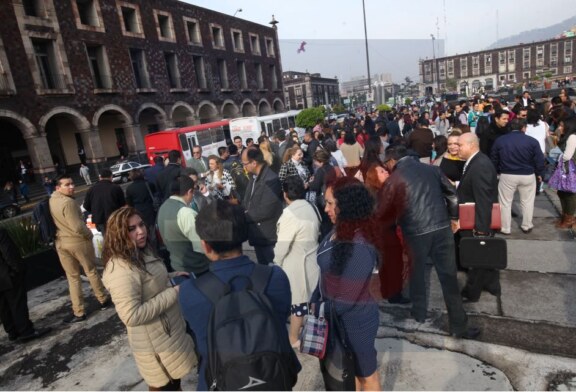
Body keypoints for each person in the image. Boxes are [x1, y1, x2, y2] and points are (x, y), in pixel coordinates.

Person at [179, 199, 300, 391]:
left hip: (219, 383)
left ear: (205, 246)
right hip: (273, 377)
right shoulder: (275, 277)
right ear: (243, 235)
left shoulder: (189, 292)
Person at [377, 145, 480, 339]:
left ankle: (419, 313)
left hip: (415, 232)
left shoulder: (394, 179)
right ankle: (459, 325)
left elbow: (382, 211)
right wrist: (453, 217)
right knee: (449, 278)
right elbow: (451, 193)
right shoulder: (431, 168)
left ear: (391, 161)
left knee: (417, 274)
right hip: (441, 227)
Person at [102, 207, 196, 391]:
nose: (140, 231)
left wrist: (173, 275)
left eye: (141, 225)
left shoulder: (140, 252)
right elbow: (131, 315)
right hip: (156, 347)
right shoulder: (121, 270)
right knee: (165, 387)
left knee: (175, 384)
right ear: (118, 234)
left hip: (167, 335)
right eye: (131, 229)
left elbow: (149, 279)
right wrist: (174, 292)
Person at [311, 177, 381, 391]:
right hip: (334, 318)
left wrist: (314, 309)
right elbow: (325, 274)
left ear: (347, 205)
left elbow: (346, 298)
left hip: (355, 323)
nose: (325, 208)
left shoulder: (359, 245)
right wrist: (315, 298)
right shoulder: (339, 230)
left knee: (365, 376)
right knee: (349, 374)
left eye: (331, 203)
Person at [49, 174, 111, 323]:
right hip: (77, 241)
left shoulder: (51, 200)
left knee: (72, 277)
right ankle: (102, 299)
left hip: (61, 242)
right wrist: (89, 234)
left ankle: (78, 311)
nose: (72, 187)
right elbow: (77, 226)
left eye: (72, 183)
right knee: (91, 271)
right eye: (67, 184)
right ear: (58, 187)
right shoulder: (68, 203)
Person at [273, 176, 320, 347]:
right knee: (309, 301)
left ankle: (293, 338)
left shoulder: (290, 213)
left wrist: (276, 263)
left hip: (296, 264)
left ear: (285, 194)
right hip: (312, 260)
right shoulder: (311, 207)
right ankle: (305, 332)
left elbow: (282, 245)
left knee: (297, 304)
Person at [456, 133, 501, 301]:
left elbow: (484, 199)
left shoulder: (480, 164)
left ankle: (471, 293)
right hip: (475, 218)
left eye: (460, 145)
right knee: (485, 258)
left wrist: (482, 229)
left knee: (476, 260)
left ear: (471, 145)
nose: (456, 149)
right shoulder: (475, 162)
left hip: (477, 221)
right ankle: (493, 285)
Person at [491, 118, 545, 234]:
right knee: (527, 201)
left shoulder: (500, 140)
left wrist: (496, 171)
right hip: (527, 174)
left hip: (507, 174)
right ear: (523, 128)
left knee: (505, 202)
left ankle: (505, 228)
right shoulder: (532, 141)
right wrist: (540, 173)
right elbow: (539, 159)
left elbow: (494, 158)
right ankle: (527, 225)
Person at [0, 228, 52, 342]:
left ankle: (12, 332)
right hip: (7, 275)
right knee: (17, 304)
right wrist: (17, 270)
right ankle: (26, 331)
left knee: (4, 307)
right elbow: (9, 252)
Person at [157, 175, 210, 275]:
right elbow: (201, 246)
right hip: (197, 268)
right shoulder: (186, 213)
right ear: (190, 191)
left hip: (176, 266)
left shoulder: (163, 207)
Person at [241, 147, 283, 265]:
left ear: (254, 163)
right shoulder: (253, 177)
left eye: (245, 163)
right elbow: (247, 201)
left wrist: (243, 215)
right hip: (257, 235)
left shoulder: (271, 179)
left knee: (273, 270)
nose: (244, 167)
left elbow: (266, 210)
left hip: (268, 236)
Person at [83, 168, 126, 235]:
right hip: (114, 218)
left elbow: (86, 206)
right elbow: (123, 204)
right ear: (111, 177)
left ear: (100, 177)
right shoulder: (115, 188)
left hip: (99, 219)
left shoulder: (91, 189)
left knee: (106, 237)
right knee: (118, 236)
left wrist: (95, 210)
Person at [553, 117, 576, 229]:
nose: (559, 127)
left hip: (570, 169)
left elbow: (567, 155)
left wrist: (558, 156)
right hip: (568, 168)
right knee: (563, 192)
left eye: (562, 126)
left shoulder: (572, 137)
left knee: (569, 193)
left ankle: (569, 219)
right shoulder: (567, 136)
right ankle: (566, 216)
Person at [125, 168, 156, 236]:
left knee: (142, 228)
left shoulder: (129, 188)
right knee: (152, 229)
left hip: (138, 211)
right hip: (150, 209)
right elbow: (155, 193)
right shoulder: (148, 184)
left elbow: (129, 203)